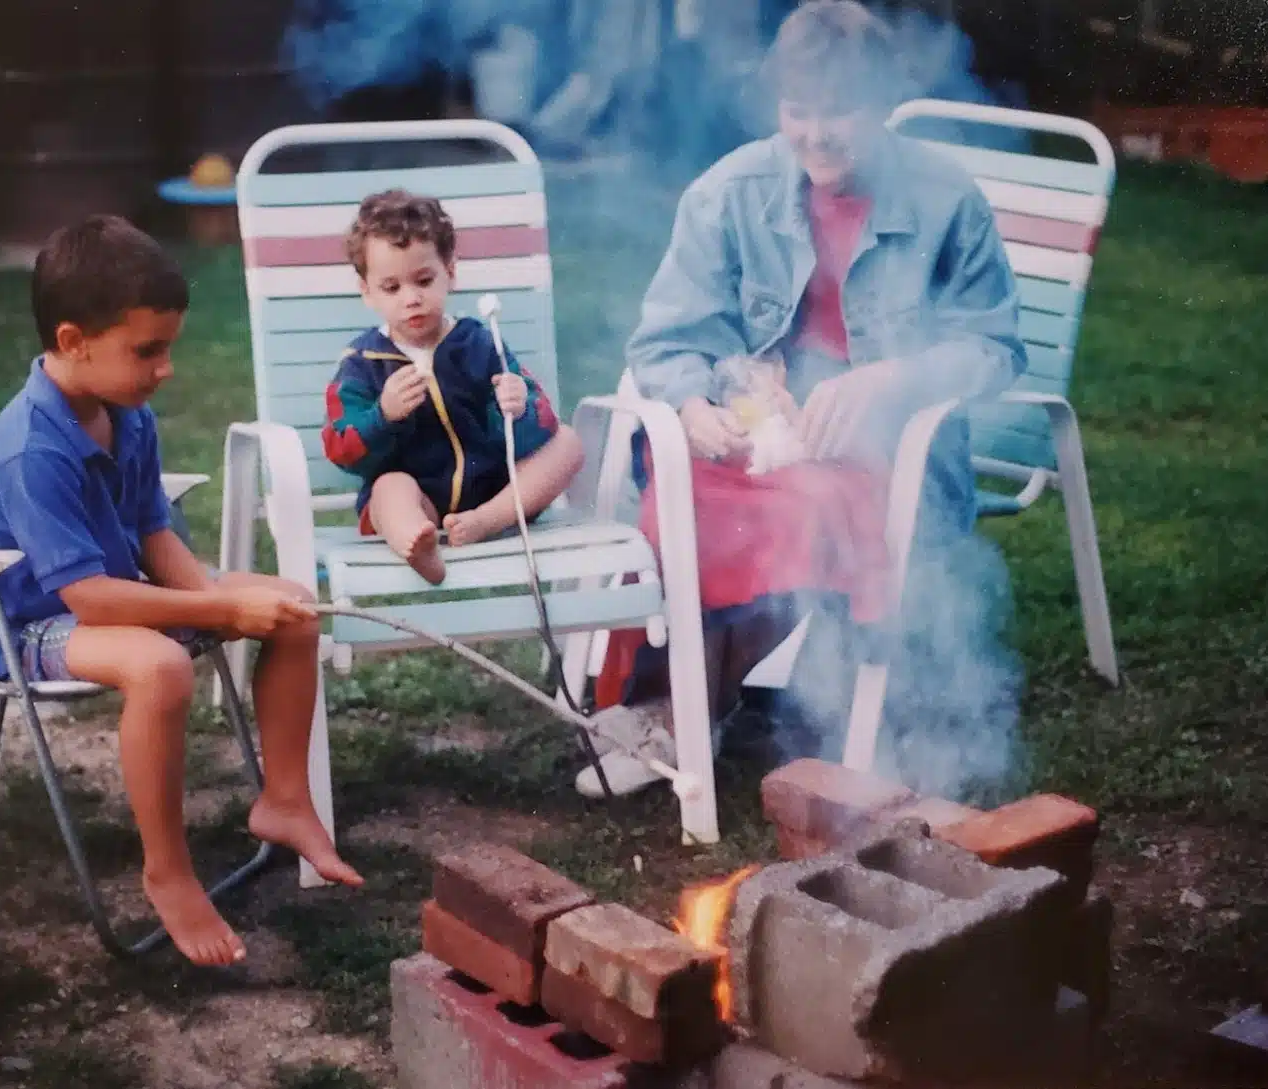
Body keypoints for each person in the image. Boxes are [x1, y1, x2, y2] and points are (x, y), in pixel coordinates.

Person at [581, 0, 1026, 796]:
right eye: (798, 111)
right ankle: (682, 708)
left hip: (888, 457)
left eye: (840, 112)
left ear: (884, 101)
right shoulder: (731, 191)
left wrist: (891, 378)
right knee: (680, 496)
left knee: (805, 510)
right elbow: (664, 341)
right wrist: (694, 402)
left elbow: (992, 350)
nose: (815, 134)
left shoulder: (945, 200)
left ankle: (679, 717)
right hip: (763, 441)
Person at [0, 215, 363, 969]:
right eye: (148, 350)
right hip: (30, 622)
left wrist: (223, 601)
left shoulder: (127, 413)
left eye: (167, 347)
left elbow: (153, 532)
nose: (165, 368)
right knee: (161, 667)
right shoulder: (31, 451)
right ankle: (167, 872)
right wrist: (217, 611)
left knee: (293, 606)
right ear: (75, 341)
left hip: (116, 593)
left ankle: (283, 798)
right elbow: (91, 601)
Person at [320, 188, 584, 583]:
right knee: (390, 487)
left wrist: (517, 408)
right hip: (418, 501)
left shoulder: (479, 343)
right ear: (367, 292)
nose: (412, 299)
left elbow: (535, 432)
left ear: (450, 272)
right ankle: (417, 541)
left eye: (424, 280)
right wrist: (383, 416)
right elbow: (342, 448)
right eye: (392, 288)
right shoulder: (362, 365)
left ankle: (484, 522)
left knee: (567, 443)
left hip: (496, 494)